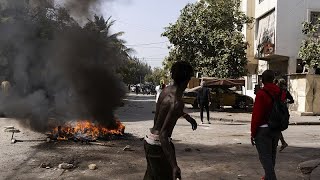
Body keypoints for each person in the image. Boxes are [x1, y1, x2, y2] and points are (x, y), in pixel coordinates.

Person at [144, 61, 197, 180]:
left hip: (149, 141)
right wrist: (174, 166)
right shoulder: (177, 102)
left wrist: (186, 116)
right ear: (187, 79)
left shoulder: (165, 90)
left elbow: (165, 110)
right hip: (159, 146)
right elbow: (163, 136)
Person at [251, 70, 284, 180]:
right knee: (271, 156)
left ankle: (271, 177)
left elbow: (257, 115)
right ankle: (267, 177)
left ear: (262, 80)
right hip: (276, 129)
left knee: (265, 158)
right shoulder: (280, 92)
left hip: (263, 130)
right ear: (273, 80)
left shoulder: (261, 94)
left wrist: (253, 132)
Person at [276, 78, 294, 152]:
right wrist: (286, 102)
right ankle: (282, 142)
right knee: (277, 128)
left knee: (276, 127)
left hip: (278, 111)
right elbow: (292, 100)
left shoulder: (278, 90)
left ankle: (281, 143)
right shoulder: (286, 91)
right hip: (284, 111)